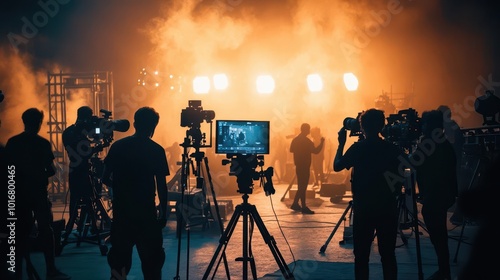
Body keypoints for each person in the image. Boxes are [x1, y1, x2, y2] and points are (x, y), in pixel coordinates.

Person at [334, 109, 402, 280]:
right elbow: (407, 168)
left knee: (362, 256)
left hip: (364, 207)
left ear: (361, 126)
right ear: (382, 125)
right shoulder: (391, 148)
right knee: (388, 254)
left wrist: (341, 144)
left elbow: (337, 166)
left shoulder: (358, 148)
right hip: (387, 206)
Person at [102, 107, 169, 280]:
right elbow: (161, 185)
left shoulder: (118, 146)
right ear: (154, 127)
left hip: (122, 215)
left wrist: (118, 187)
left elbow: (105, 177)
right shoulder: (156, 150)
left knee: (119, 266)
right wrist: (164, 212)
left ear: (134, 124)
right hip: (146, 215)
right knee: (152, 265)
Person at [5, 108, 70, 280]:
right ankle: (51, 269)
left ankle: (15, 272)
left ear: (23, 121)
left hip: (18, 195)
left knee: (17, 233)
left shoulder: (12, 142)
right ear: (39, 123)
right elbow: (50, 170)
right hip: (38, 193)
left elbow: (8, 170)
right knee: (45, 230)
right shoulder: (42, 143)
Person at [412, 110, 457, 280]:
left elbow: (414, 162)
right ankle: (443, 269)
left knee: (438, 234)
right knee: (439, 234)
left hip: (436, 194)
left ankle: (444, 271)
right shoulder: (441, 143)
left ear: (430, 126)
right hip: (442, 194)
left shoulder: (431, 145)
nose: (421, 127)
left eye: (424, 124)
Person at [61, 106, 96, 244]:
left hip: (76, 170)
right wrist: (94, 149)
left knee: (77, 200)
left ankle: (77, 227)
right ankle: (90, 227)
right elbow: (83, 152)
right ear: (86, 117)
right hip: (79, 171)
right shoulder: (75, 133)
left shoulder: (70, 132)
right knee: (83, 200)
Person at [289, 123, 325, 214]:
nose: (309, 131)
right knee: (303, 186)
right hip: (305, 166)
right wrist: (322, 142)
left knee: (301, 185)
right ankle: (304, 207)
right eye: (309, 129)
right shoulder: (307, 141)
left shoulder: (295, 140)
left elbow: (291, 150)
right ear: (306, 130)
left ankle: (295, 203)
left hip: (298, 165)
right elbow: (316, 151)